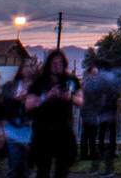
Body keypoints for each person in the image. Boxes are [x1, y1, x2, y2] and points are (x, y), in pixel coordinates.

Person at [27, 50, 81, 178]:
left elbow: (81, 100)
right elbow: (29, 103)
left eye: (60, 63)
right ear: (49, 65)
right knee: (43, 169)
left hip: (64, 130)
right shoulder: (40, 82)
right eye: (54, 63)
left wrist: (69, 98)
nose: (57, 66)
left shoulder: (71, 81)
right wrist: (47, 96)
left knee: (62, 169)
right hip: (43, 130)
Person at [79, 59, 119, 178]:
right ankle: (98, 167)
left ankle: (105, 168)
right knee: (97, 139)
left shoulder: (99, 82)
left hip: (99, 114)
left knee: (100, 140)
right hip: (97, 114)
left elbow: (100, 97)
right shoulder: (102, 81)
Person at [0, 58, 38, 178]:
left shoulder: (39, 87)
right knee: (14, 166)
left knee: (26, 168)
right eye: (27, 65)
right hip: (13, 129)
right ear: (21, 69)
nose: (30, 68)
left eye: (32, 65)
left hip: (30, 130)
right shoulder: (11, 86)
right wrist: (17, 100)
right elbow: (4, 106)